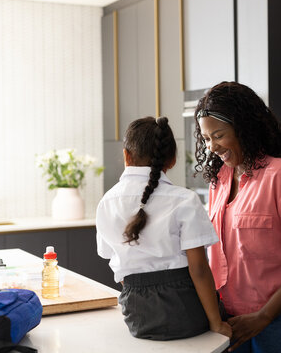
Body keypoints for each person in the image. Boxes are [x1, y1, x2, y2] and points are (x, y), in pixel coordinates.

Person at [193, 82, 281, 352]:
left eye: (218, 135)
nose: (212, 147)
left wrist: (264, 316)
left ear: (244, 128)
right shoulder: (218, 181)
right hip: (232, 320)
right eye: (206, 138)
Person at [96, 116, 232, 341]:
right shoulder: (184, 200)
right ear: (172, 160)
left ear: (126, 156)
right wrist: (216, 323)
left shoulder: (107, 202)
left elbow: (114, 262)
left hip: (137, 313)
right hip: (185, 309)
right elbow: (198, 269)